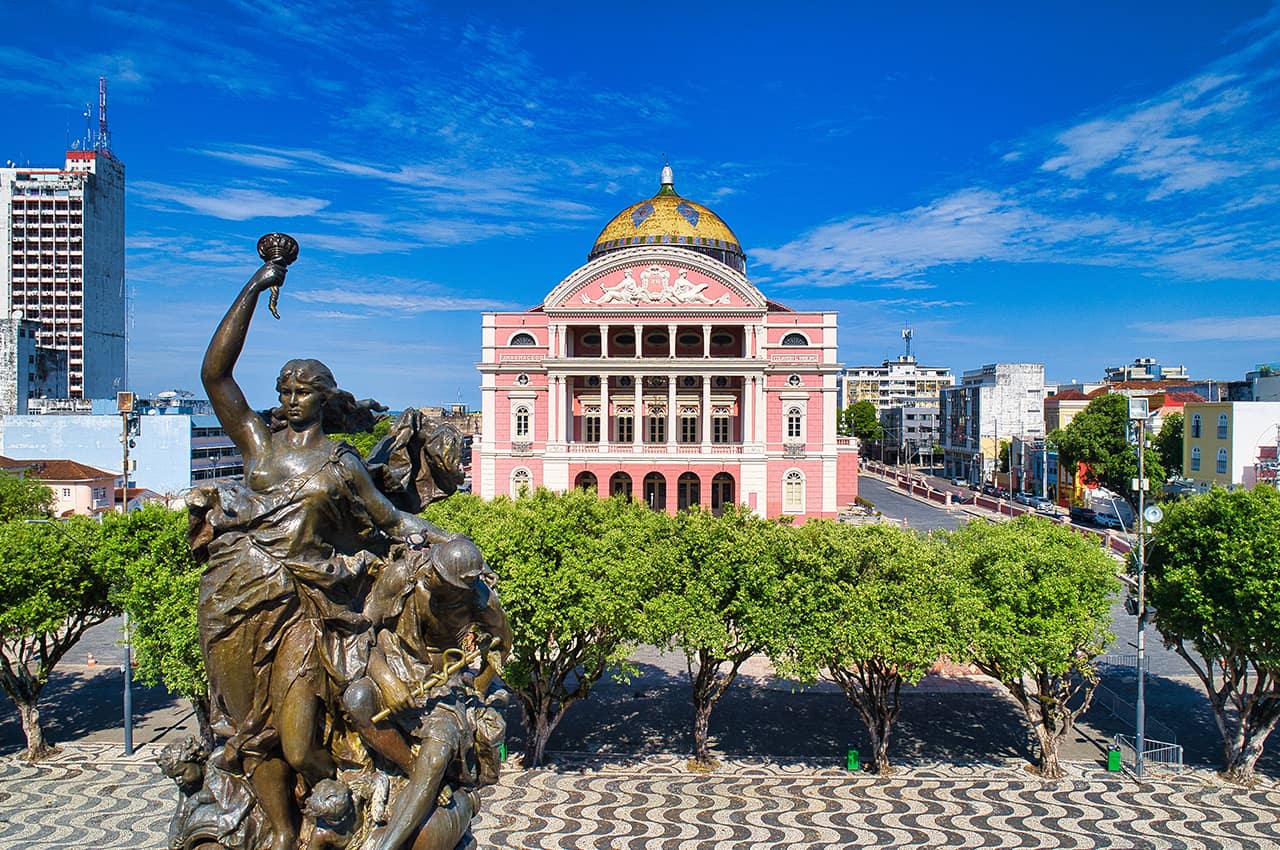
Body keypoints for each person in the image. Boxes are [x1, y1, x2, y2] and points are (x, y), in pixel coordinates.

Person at [193, 258, 455, 850]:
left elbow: (393, 521)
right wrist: (257, 285)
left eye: (301, 390)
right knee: (248, 731)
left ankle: (335, 805)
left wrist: (449, 544)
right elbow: (215, 375)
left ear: (324, 398)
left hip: (304, 608)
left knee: (294, 738)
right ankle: (284, 833)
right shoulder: (258, 446)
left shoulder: (341, 464)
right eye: (283, 390)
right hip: (232, 601)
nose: (289, 399)